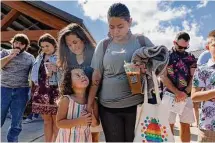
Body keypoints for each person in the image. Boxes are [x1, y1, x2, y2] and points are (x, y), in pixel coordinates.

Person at [87, 3, 154, 142]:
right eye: (111, 27)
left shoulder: (141, 41)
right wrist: (89, 103)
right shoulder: (104, 45)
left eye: (120, 27)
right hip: (108, 107)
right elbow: (97, 76)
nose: (115, 31)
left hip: (137, 106)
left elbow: (160, 65)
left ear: (130, 22)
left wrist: (145, 68)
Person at [57, 23, 100, 141]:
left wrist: (90, 105)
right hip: (76, 103)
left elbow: (97, 82)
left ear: (83, 39)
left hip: (94, 102)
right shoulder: (69, 59)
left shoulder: (96, 55)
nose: (73, 47)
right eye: (69, 45)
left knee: (93, 136)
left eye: (75, 42)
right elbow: (68, 81)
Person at [161, 32, 197, 142]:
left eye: (185, 47)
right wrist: (177, 92)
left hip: (186, 96)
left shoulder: (191, 57)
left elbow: (194, 77)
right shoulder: (166, 56)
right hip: (169, 95)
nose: (182, 49)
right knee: (168, 125)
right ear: (174, 42)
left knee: (186, 126)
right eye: (180, 46)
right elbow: (163, 76)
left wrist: (185, 93)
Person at [1, 34, 35, 142]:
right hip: (4, 89)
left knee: (16, 121)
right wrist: (11, 56)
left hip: (21, 90)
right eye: (16, 42)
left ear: (25, 46)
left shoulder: (30, 57)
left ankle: (12, 141)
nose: (18, 45)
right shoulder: (4, 52)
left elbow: (34, 74)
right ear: (13, 42)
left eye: (21, 43)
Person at [56, 68, 99, 142]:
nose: (82, 76)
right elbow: (59, 123)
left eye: (83, 74)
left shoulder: (93, 101)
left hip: (84, 139)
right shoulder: (66, 100)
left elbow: (95, 124)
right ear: (70, 84)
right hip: (66, 139)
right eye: (78, 75)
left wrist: (92, 118)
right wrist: (79, 121)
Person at [31, 33, 60, 142]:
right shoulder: (39, 57)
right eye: (42, 47)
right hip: (42, 91)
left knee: (56, 122)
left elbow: (67, 73)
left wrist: (57, 69)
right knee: (47, 121)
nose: (45, 49)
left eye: (47, 45)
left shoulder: (60, 56)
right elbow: (35, 73)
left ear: (54, 44)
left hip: (55, 91)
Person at [191, 30, 215, 142]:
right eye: (214, 45)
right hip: (209, 126)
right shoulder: (202, 70)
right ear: (207, 47)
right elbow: (194, 96)